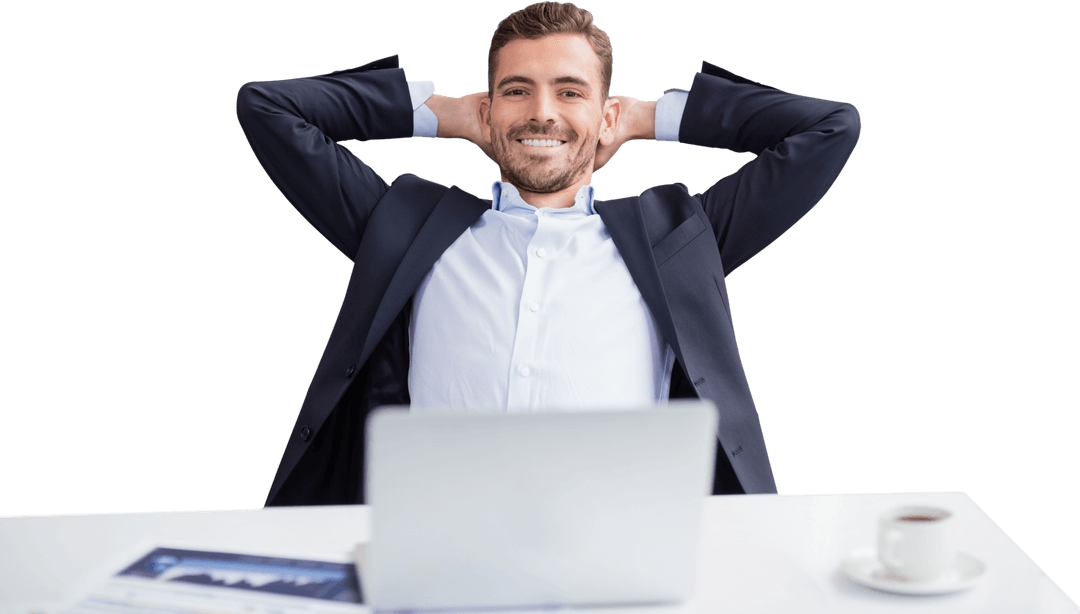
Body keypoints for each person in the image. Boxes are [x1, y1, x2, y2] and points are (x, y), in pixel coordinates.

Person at [235, 2, 861, 506]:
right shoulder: (406, 228)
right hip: (440, 563)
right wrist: (443, 114)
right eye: (516, 91)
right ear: (488, 109)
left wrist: (645, 117)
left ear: (605, 115)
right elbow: (268, 107)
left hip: (618, 568)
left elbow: (830, 128)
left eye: (569, 92)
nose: (541, 113)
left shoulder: (675, 238)